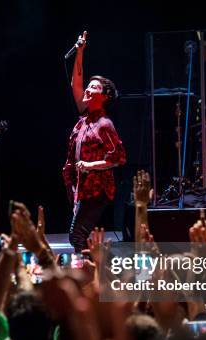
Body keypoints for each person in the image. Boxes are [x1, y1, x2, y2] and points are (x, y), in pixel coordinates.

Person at [62, 31, 126, 252]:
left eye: (95, 87)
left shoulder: (104, 124)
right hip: (82, 188)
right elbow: (76, 85)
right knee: (81, 237)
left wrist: (89, 165)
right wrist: (80, 52)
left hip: (96, 191)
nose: (88, 90)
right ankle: (97, 272)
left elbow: (118, 158)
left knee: (77, 236)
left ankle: (90, 279)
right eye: (89, 86)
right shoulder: (85, 118)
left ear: (105, 96)